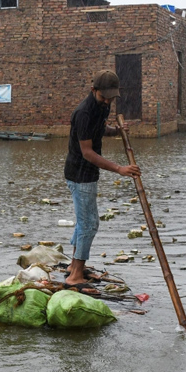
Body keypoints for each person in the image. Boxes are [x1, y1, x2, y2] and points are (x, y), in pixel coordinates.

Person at [64, 70, 141, 287]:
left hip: (87, 173)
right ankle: (75, 277)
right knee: (89, 224)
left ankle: (74, 265)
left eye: (110, 97)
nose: (107, 101)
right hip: (80, 174)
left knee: (83, 221)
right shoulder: (84, 112)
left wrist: (115, 130)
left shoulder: (102, 105)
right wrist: (119, 169)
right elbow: (87, 152)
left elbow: (98, 130)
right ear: (93, 90)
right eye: (103, 96)